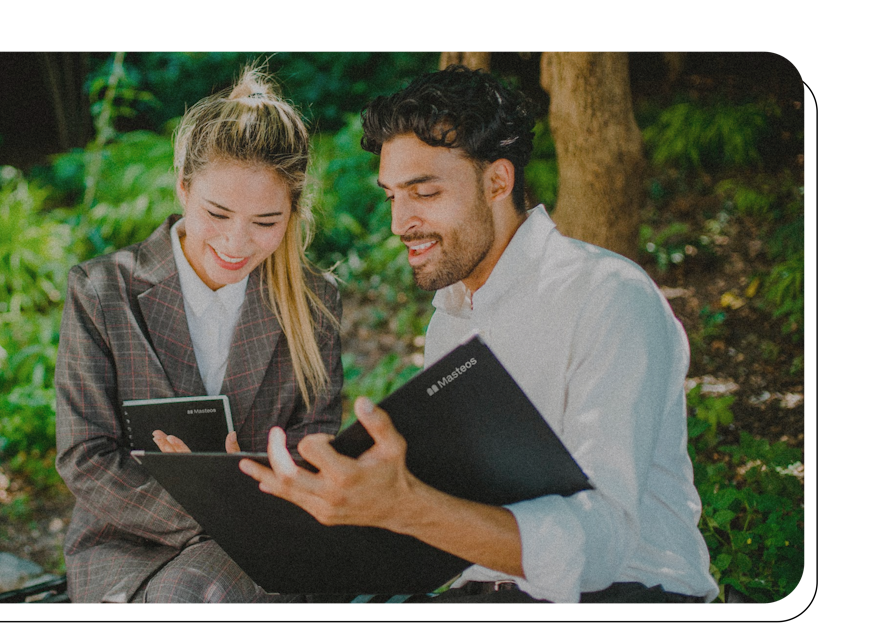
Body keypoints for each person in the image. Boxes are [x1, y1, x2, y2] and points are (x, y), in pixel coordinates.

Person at [242, 65, 718, 604]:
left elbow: (600, 546)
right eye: (392, 196)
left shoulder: (609, 297)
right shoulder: (451, 318)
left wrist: (405, 504)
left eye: (423, 193)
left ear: (498, 181)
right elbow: (450, 512)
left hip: (631, 590)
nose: (400, 223)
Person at [54, 66, 344, 604]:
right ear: (182, 187)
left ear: (293, 212)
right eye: (217, 213)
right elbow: (86, 455)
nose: (237, 242)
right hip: (127, 545)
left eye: (265, 221)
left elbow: (314, 443)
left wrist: (245, 505)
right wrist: (215, 511)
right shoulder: (101, 291)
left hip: (261, 540)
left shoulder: (314, 301)